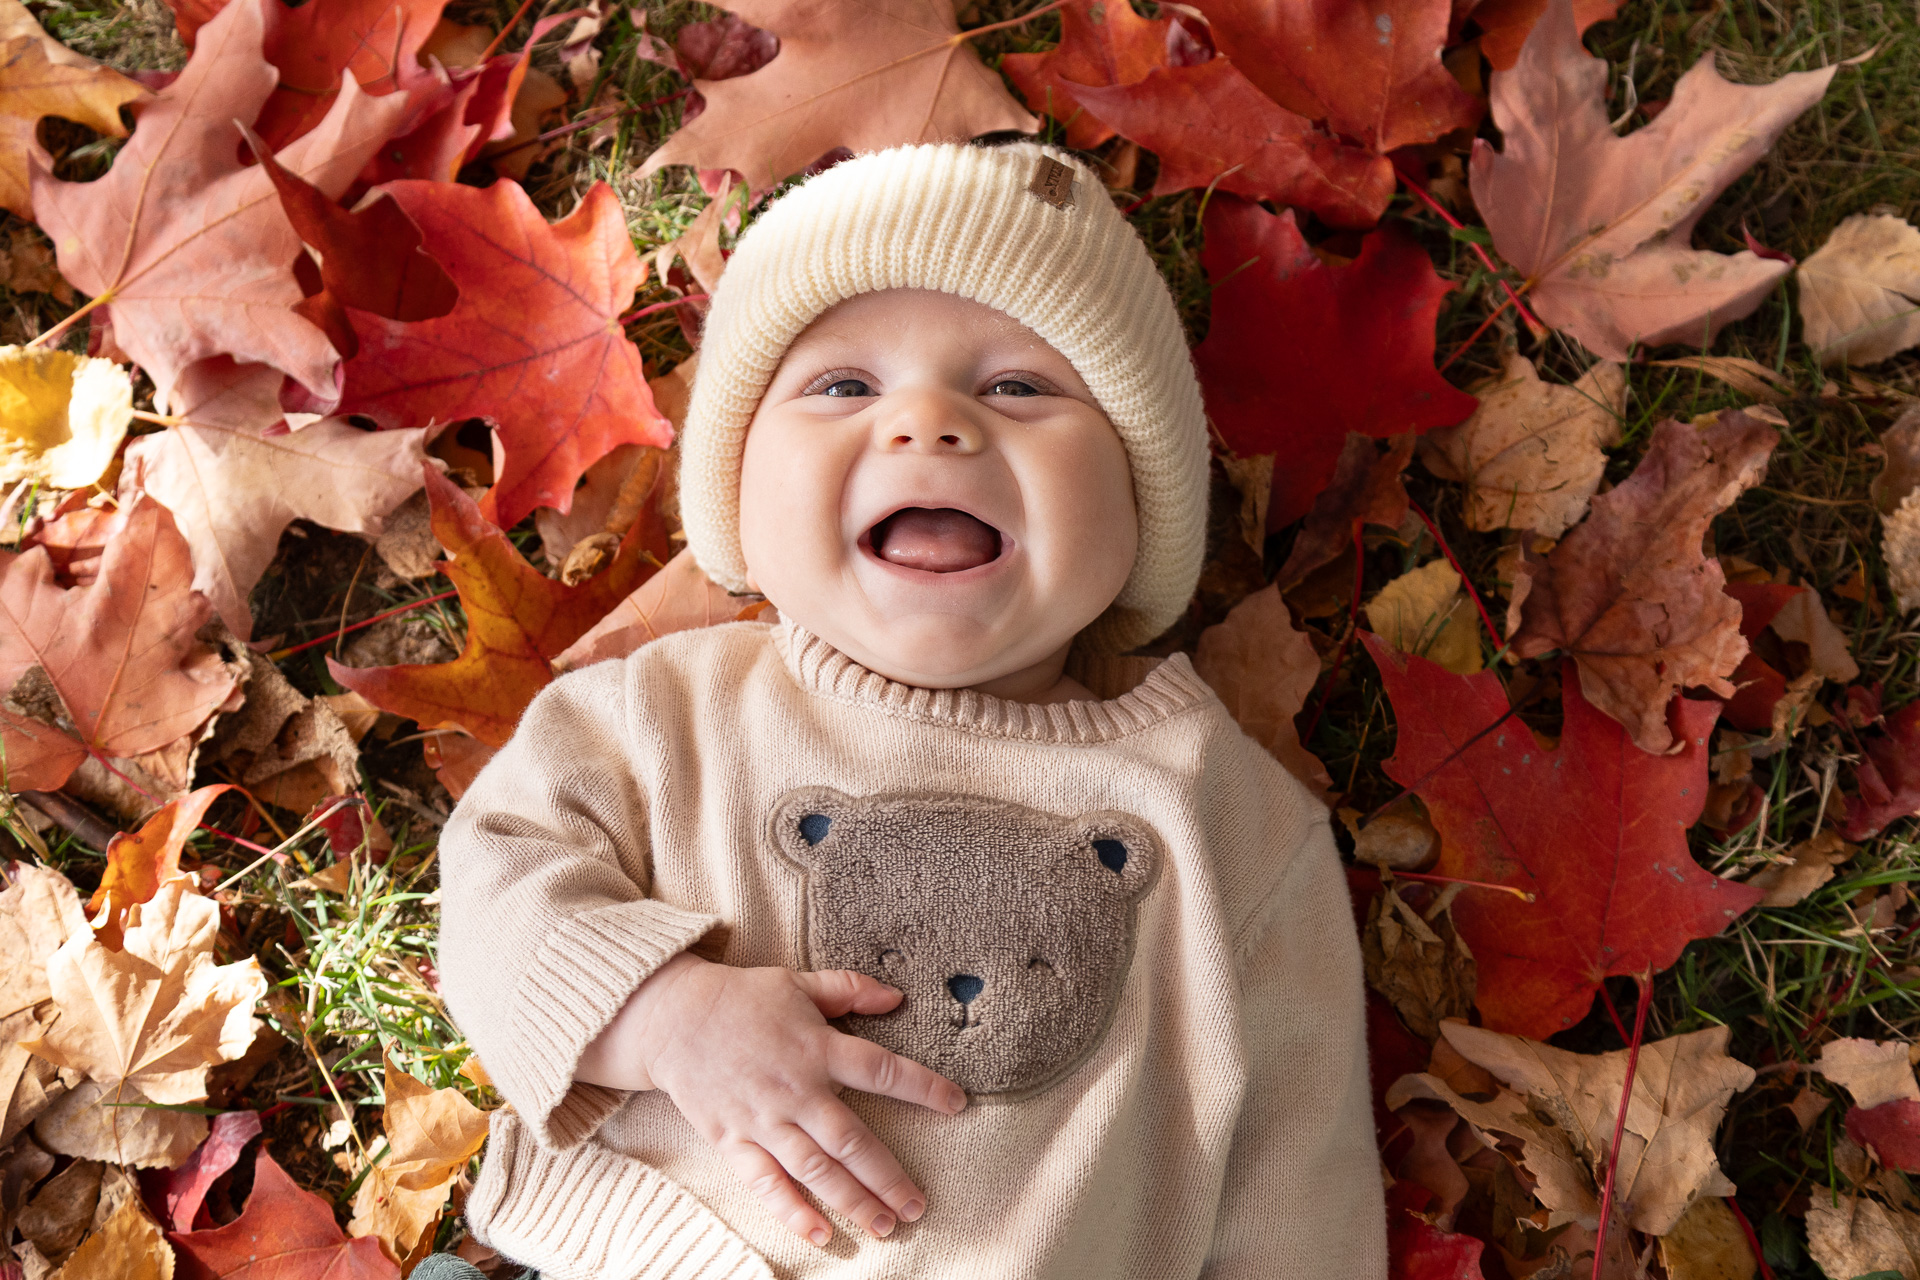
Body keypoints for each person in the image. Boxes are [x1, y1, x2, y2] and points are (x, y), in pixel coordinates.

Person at [436, 140, 1382, 1280]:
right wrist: (663, 1014)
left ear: (1140, 505)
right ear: (738, 488)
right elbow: (493, 882)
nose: (929, 425)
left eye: (1019, 387)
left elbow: (1300, 1176)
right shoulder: (660, 714)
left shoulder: (1228, 819)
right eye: (844, 385)